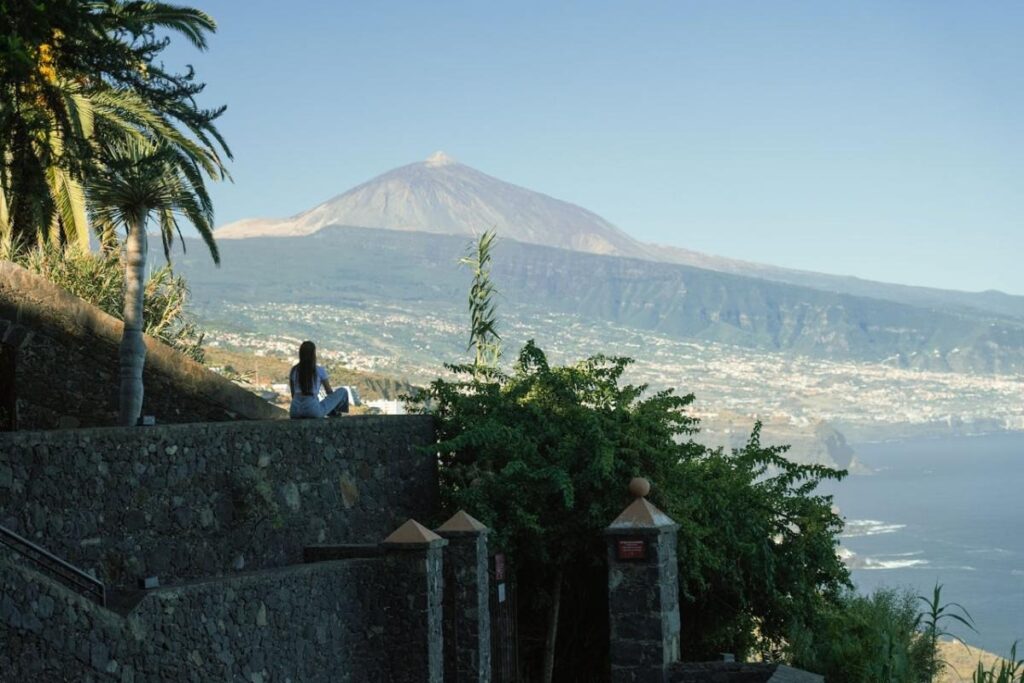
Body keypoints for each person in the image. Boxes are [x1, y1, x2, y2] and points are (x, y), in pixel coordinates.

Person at [288, 341, 349, 419]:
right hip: (312, 409)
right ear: (313, 354)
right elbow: (329, 392)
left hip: (294, 411)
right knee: (343, 391)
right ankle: (335, 413)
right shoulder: (319, 370)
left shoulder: (294, 370)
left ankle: (333, 412)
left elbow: (293, 394)